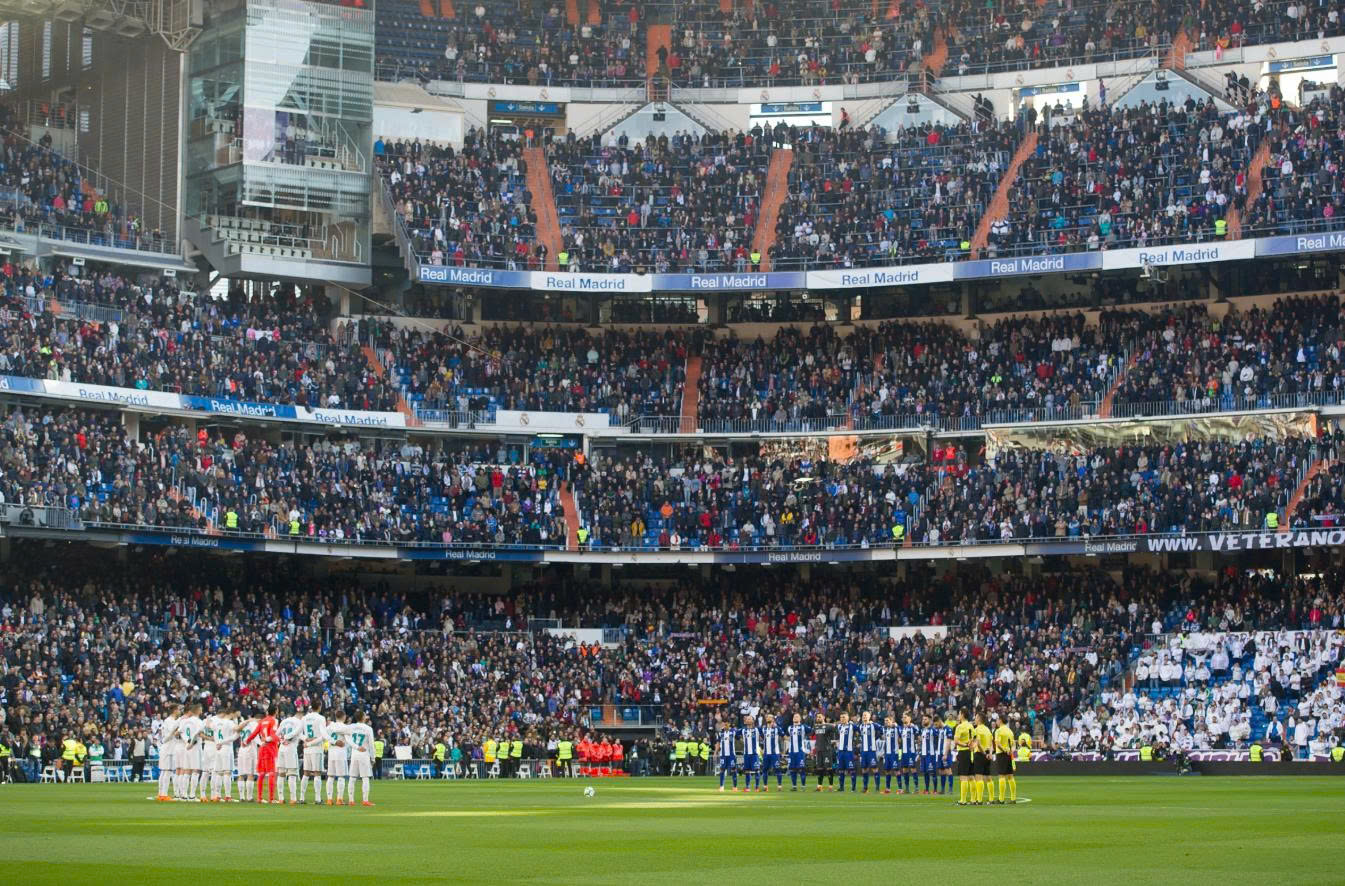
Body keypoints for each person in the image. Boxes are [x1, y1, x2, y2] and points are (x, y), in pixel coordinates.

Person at [244, 704, 280, 804]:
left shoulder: (261, 721)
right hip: (271, 748)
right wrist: (270, 739)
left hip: (262, 749)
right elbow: (273, 734)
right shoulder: (274, 721)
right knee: (272, 773)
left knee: (262, 773)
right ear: (276, 711)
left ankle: (259, 798)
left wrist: (246, 741)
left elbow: (254, 734)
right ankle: (271, 798)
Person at [346, 710, 375, 806]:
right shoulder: (368, 728)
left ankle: (351, 800)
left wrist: (355, 746)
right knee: (365, 778)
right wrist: (373, 757)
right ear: (363, 717)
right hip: (364, 754)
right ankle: (365, 800)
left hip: (354, 754)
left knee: (352, 777)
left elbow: (347, 737)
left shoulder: (351, 727)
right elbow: (371, 744)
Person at [175, 705, 204, 802]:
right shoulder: (199, 722)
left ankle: (183, 795)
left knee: (186, 771)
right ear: (198, 710)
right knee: (195, 771)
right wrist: (191, 742)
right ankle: (192, 795)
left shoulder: (184, 721)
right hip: (195, 747)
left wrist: (187, 742)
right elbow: (197, 733)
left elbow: (178, 733)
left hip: (186, 748)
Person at [300, 704, 327, 804]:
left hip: (307, 749)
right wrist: (311, 742)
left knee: (306, 773)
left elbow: (299, 733)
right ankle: (318, 799)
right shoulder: (321, 718)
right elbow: (323, 736)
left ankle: (302, 798)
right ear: (319, 707)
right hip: (316, 748)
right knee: (317, 773)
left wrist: (305, 740)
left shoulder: (304, 718)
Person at [278, 711, 302, 804]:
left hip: (281, 748)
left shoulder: (284, 721)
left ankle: (281, 798)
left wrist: (281, 740)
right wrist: (287, 738)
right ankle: (293, 798)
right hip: (290, 748)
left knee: (281, 774)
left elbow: (277, 733)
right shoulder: (299, 722)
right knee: (292, 773)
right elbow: (295, 733)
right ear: (300, 716)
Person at [325, 716, 349, 804]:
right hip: (341, 753)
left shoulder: (330, 727)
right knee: (341, 776)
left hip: (331, 753)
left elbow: (324, 735)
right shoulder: (345, 727)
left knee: (330, 776)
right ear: (344, 717)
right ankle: (339, 799)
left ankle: (329, 799)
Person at [993, 714, 1016, 804]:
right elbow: (1014, 745)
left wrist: (1004, 750)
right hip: (1009, 755)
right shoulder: (1010, 731)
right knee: (1010, 776)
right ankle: (1013, 798)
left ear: (1001, 720)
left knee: (1001, 776)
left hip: (1001, 754)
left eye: (998, 719)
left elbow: (998, 744)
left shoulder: (998, 731)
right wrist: (1011, 751)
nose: (996, 721)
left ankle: (1001, 799)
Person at [972, 712, 994, 806]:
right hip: (987, 755)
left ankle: (979, 800)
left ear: (979, 719)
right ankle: (991, 799)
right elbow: (991, 743)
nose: (975, 719)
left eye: (976, 717)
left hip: (980, 754)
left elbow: (978, 743)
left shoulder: (976, 730)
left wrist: (984, 753)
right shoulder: (988, 730)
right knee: (988, 777)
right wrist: (990, 753)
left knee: (978, 777)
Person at [953, 709, 974, 806]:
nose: (958, 715)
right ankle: (974, 799)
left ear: (962, 715)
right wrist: (971, 745)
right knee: (971, 777)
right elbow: (974, 738)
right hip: (970, 753)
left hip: (963, 752)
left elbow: (956, 741)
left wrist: (965, 745)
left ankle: (963, 800)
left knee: (963, 777)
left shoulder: (960, 727)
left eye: (959, 713)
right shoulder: (970, 725)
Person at [857, 711, 879, 793]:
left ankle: (877, 787)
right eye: (863, 715)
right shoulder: (860, 726)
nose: (864, 716)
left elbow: (881, 728)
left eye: (866, 715)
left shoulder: (873, 725)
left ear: (869, 717)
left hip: (871, 751)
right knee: (864, 769)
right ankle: (865, 788)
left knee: (874, 769)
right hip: (863, 751)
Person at [813, 714, 835, 792]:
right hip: (819, 751)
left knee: (829, 768)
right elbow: (812, 735)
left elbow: (835, 726)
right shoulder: (815, 727)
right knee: (819, 769)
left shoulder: (828, 726)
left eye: (820, 717)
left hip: (827, 750)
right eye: (817, 717)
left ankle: (831, 786)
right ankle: (819, 786)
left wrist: (830, 724)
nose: (818, 718)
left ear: (823, 717)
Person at [920, 714, 941, 795]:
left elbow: (940, 736)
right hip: (924, 755)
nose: (923, 720)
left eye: (925, 719)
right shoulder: (923, 730)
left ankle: (935, 790)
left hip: (931, 755)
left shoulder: (933, 730)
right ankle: (927, 790)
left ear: (929, 720)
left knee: (932, 772)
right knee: (925, 773)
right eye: (923, 719)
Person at [786, 713, 809, 791]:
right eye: (794, 717)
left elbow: (811, 730)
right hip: (792, 752)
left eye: (797, 717)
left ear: (800, 719)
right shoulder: (789, 728)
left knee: (801, 769)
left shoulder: (803, 727)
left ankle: (803, 787)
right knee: (792, 769)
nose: (795, 718)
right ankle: (794, 786)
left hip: (800, 751)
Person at [835, 712, 856, 792]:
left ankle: (853, 788)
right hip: (840, 751)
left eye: (843, 717)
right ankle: (841, 787)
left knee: (851, 769)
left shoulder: (851, 726)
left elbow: (860, 728)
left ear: (848, 718)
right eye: (841, 717)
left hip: (848, 751)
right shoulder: (839, 726)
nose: (842, 719)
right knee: (841, 769)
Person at [761, 713, 783, 791]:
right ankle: (765, 786)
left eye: (770, 717)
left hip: (775, 753)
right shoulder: (763, 729)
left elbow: (784, 737)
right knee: (764, 769)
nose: (768, 718)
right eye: (767, 717)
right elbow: (761, 738)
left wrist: (783, 750)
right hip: (766, 753)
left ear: (773, 719)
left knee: (777, 769)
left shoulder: (777, 728)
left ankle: (779, 786)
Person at [715, 718, 738, 792]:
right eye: (724, 724)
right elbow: (718, 743)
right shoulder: (720, 733)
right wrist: (715, 752)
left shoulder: (733, 731)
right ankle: (721, 786)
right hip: (723, 755)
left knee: (733, 770)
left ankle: (735, 787)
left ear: (729, 725)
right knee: (722, 770)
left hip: (732, 754)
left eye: (727, 724)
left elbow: (739, 736)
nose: (725, 725)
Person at [899, 712, 919, 795]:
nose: (904, 718)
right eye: (903, 717)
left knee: (913, 769)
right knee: (905, 770)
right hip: (904, 752)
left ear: (909, 718)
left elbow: (918, 733)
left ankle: (916, 788)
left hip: (911, 752)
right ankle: (907, 788)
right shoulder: (902, 729)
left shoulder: (913, 727)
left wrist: (913, 726)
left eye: (905, 717)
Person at [741, 715, 761, 792]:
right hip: (746, 754)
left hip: (754, 754)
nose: (748, 720)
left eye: (750, 719)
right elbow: (735, 735)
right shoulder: (743, 730)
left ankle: (757, 787)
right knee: (747, 771)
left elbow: (764, 735)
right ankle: (748, 787)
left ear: (753, 721)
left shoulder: (757, 730)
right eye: (747, 719)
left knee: (757, 770)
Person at [881, 714, 900, 794]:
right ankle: (888, 788)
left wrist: (897, 725)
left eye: (887, 721)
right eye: (885, 721)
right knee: (887, 771)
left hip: (894, 753)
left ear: (892, 721)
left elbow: (901, 730)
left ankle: (900, 789)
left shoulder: (896, 729)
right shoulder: (885, 730)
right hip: (887, 753)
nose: (886, 722)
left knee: (896, 771)